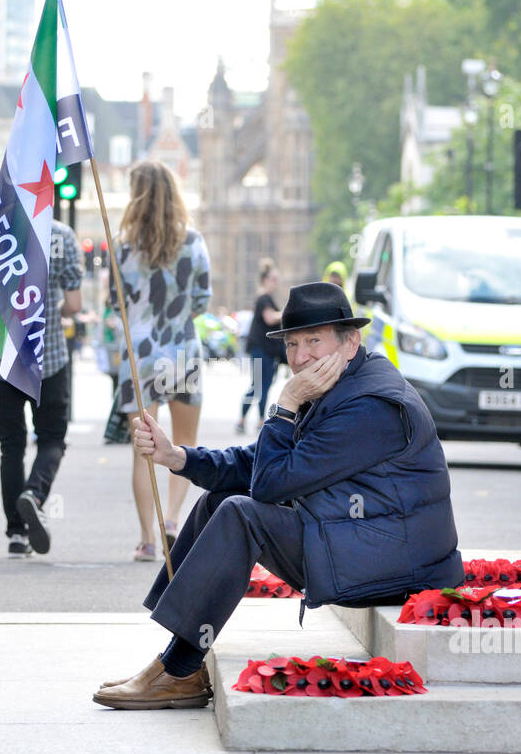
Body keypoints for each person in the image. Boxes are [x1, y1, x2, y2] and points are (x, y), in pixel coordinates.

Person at [91, 282, 463, 710]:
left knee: (240, 515)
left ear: (350, 341)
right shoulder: (342, 381)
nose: (301, 356)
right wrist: (178, 457)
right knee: (218, 502)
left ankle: (178, 670)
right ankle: (180, 658)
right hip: (364, 534)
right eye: (292, 343)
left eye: (313, 341)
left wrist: (285, 404)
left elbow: (270, 483)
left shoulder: (370, 405)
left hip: (402, 562)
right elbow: (258, 464)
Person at [0, 220, 83, 557]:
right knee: (52, 438)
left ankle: (16, 532)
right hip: (48, 353)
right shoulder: (61, 236)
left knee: (11, 446)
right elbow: (75, 303)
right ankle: (35, 494)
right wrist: (58, 310)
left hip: (1, 353)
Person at [112, 160, 212, 561]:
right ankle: (172, 519)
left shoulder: (122, 245)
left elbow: (114, 302)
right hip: (182, 348)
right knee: (183, 443)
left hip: (139, 353)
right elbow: (202, 301)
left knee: (143, 449)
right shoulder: (193, 241)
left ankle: (147, 538)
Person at [235, 259, 284, 434]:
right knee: (262, 385)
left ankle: (242, 420)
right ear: (264, 279)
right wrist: (287, 313)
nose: (275, 282)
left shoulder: (265, 298)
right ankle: (260, 421)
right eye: (273, 278)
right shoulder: (264, 298)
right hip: (262, 349)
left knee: (257, 385)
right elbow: (270, 318)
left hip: (261, 349)